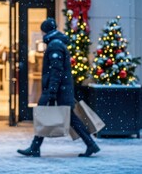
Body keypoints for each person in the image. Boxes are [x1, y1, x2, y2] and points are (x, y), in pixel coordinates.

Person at [17, 17, 100, 158]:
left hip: (58, 90)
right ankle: (90, 144)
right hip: (60, 90)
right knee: (70, 118)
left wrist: (52, 92)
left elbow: (56, 71)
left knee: (50, 114)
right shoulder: (56, 43)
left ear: (46, 31)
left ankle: (35, 147)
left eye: (42, 31)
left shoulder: (55, 45)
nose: (42, 34)